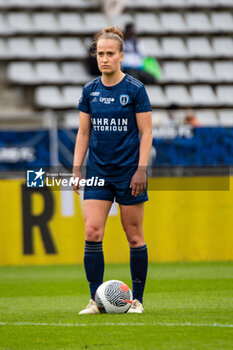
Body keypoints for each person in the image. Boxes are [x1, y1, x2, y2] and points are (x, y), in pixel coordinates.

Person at [73, 27, 152, 314]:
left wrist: (141, 170)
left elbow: (146, 133)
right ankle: (95, 300)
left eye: (110, 54)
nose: (104, 59)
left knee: (134, 237)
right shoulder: (89, 91)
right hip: (97, 173)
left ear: (121, 56)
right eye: (100, 54)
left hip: (130, 173)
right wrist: (76, 169)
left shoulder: (135, 89)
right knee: (92, 232)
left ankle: (138, 300)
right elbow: (83, 134)